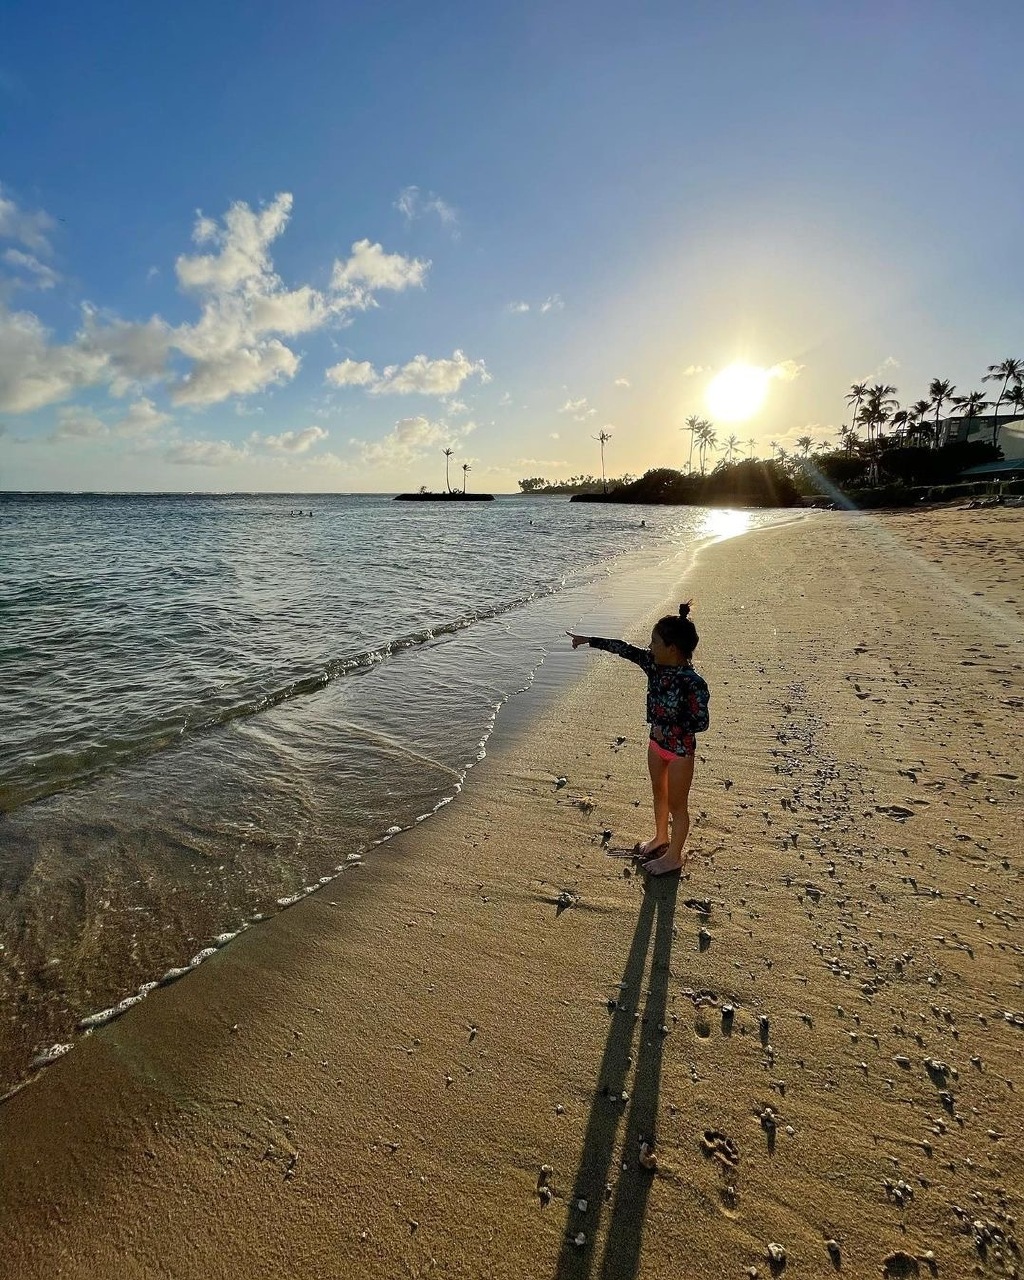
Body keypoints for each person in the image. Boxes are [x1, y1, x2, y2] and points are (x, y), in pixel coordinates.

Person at [566, 602, 709, 876]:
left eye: (655, 642)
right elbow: (624, 648)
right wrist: (589, 641)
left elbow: (700, 722)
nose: (650, 646)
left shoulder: (692, 682)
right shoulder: (652, 664)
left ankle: (674, 857)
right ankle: (660, 838)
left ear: (672, 649)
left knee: (678, 806)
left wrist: (666, 728)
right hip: (656, 746)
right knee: (659, 792)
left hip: (680, 751)